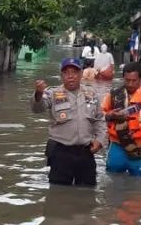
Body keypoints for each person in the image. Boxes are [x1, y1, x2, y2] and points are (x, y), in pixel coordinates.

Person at [32, 57, 106, 186]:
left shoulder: (91, 94)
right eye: (66, 73)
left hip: (86, 152)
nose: (70, 76)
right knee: (58, 192)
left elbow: (100, 119)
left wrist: (100, 140)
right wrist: (38, 94)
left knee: (87, 193)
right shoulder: (52, 93)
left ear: (81, 74)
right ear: (61, 75)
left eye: (74, 72)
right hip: (61, 152)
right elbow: (37, 108)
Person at [101, 62, 141, 177]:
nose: (130, 84)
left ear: (140, 79)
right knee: (113, 178)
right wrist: (110, 115)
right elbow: (100, 114)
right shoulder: (113, 95)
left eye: (134, 80)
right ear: (123, 78)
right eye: (127, 80)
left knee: (139, 181)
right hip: (117, 145)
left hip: (140, 146)